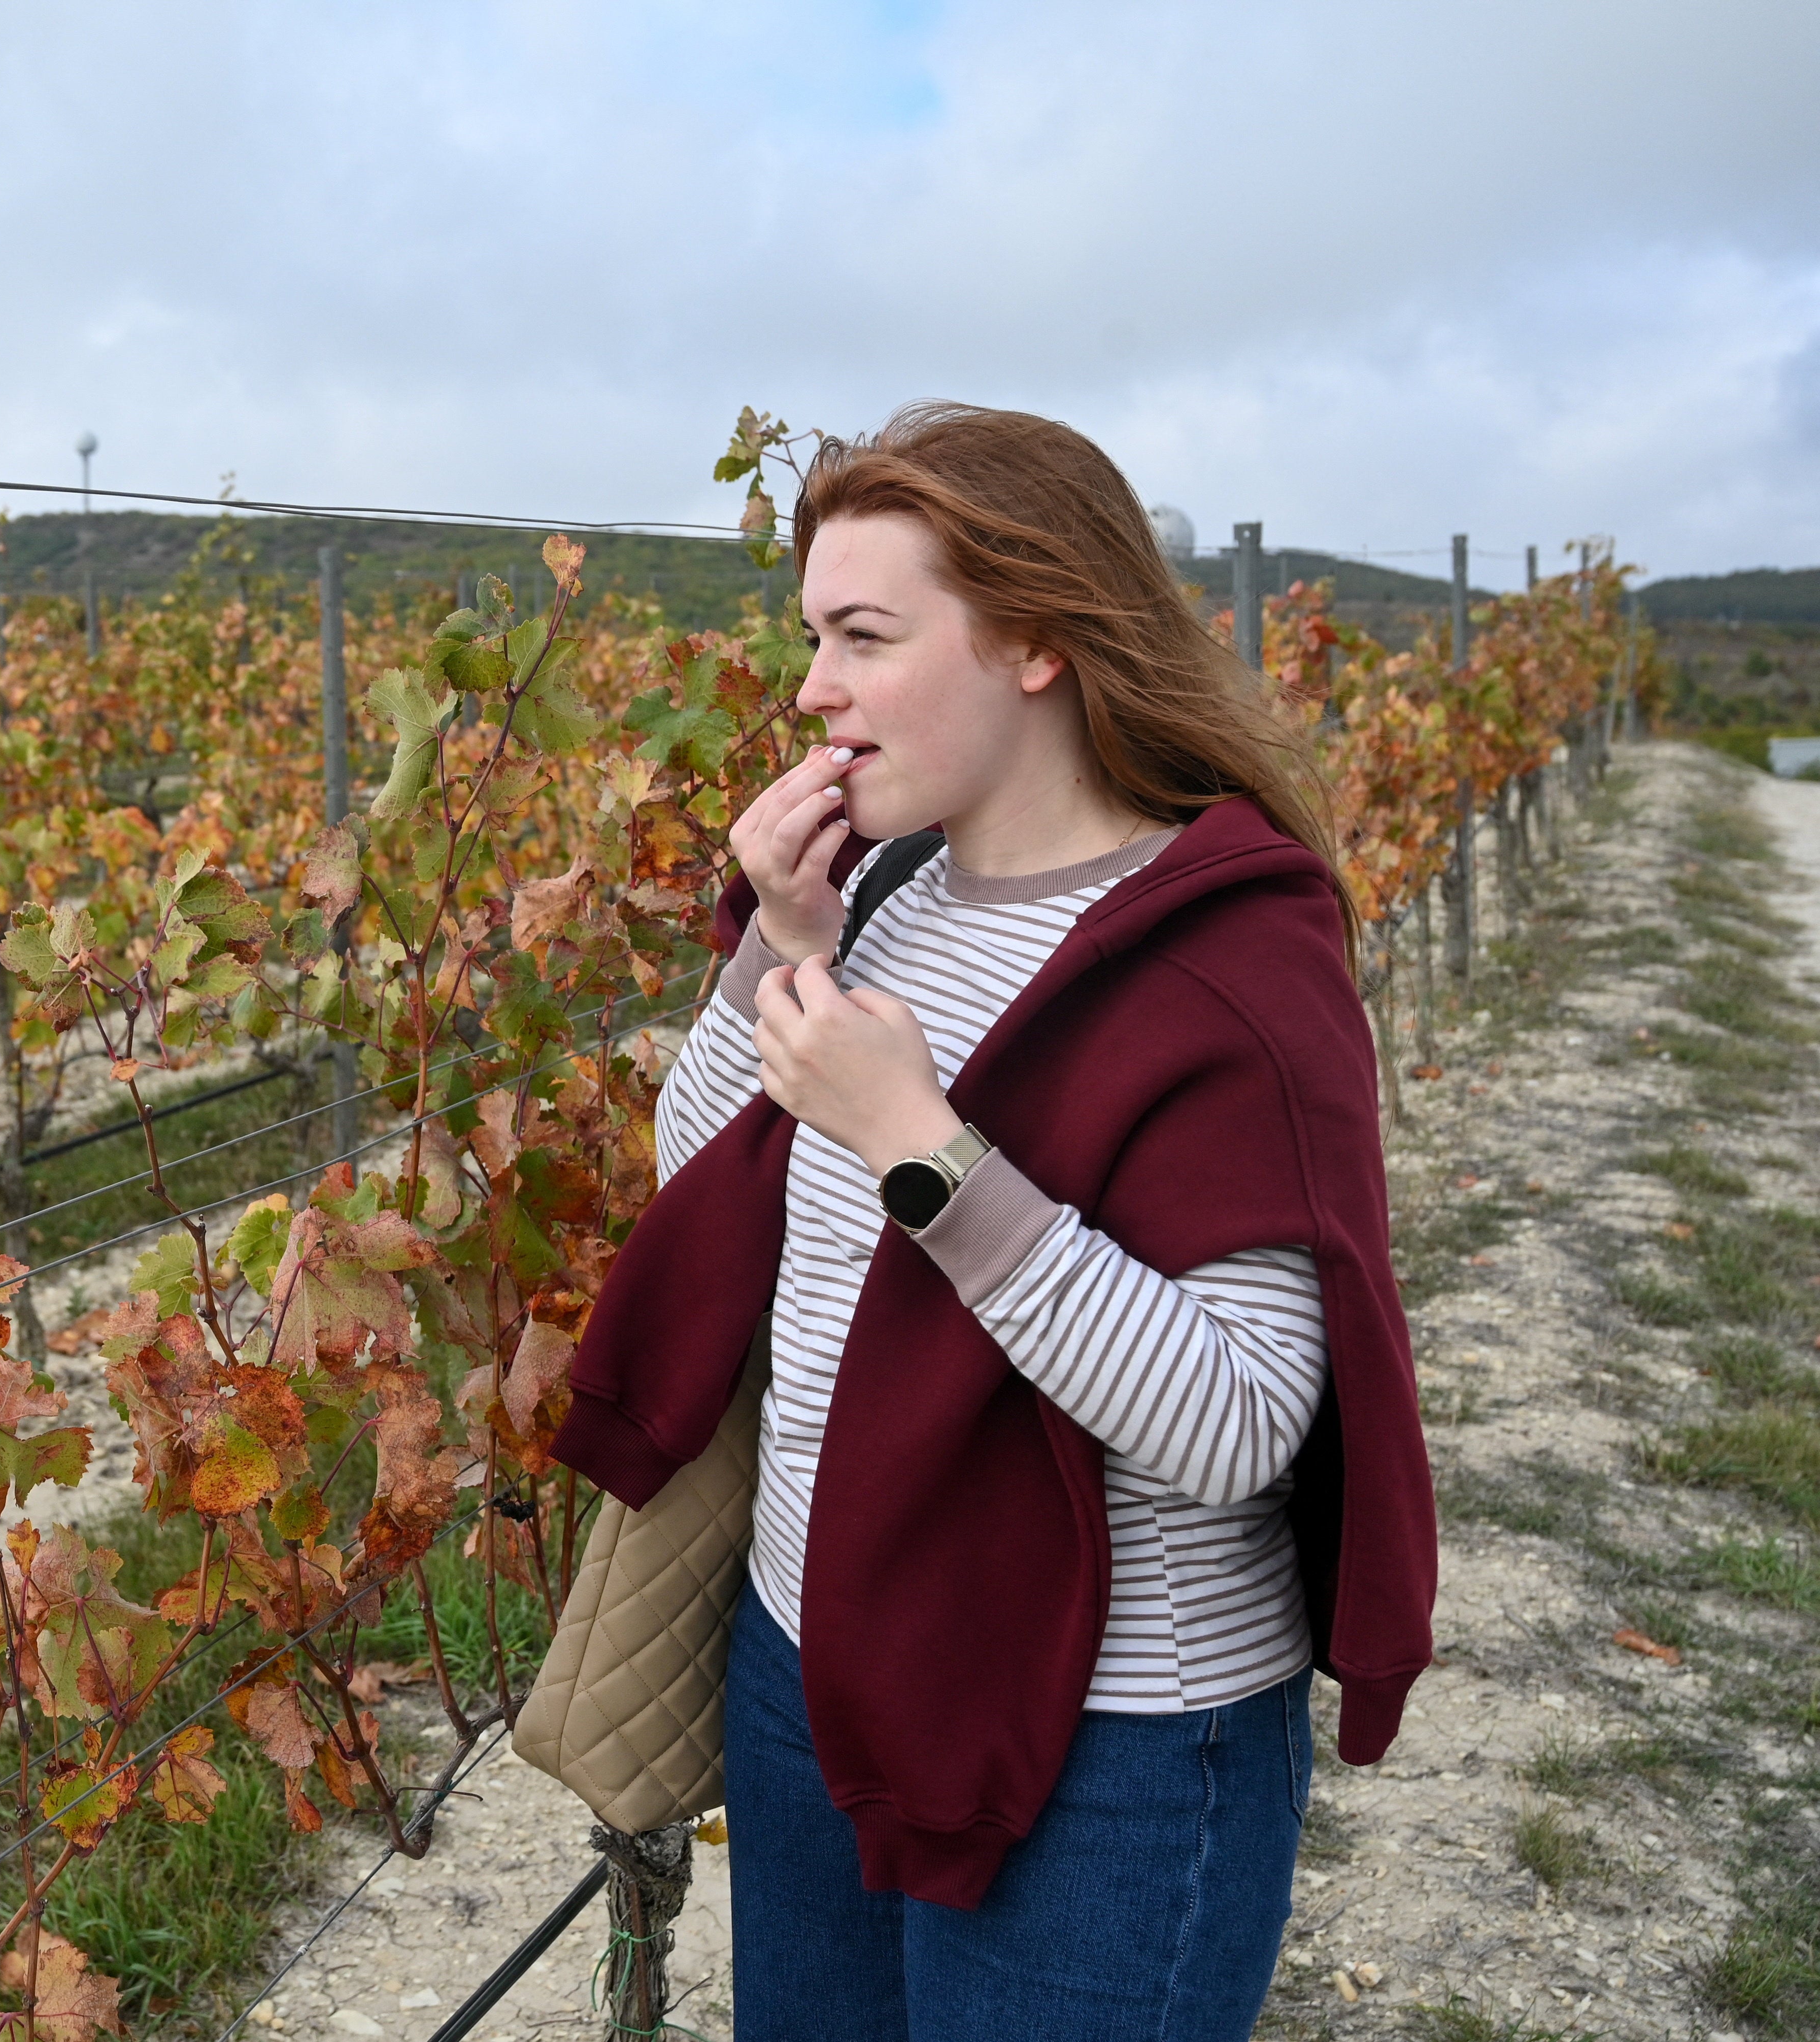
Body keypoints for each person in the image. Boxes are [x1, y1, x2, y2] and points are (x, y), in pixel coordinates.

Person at [548, 403, 1437, 2041]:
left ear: (1035, 639)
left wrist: (929, 1153)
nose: (812, 689)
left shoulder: (1225, 960)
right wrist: (778, 947)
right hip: (812, 1667)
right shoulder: (887, 897)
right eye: (811, 637)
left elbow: (1242, 1423)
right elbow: (709, 1182)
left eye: (863, 637)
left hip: (1108, 1743)